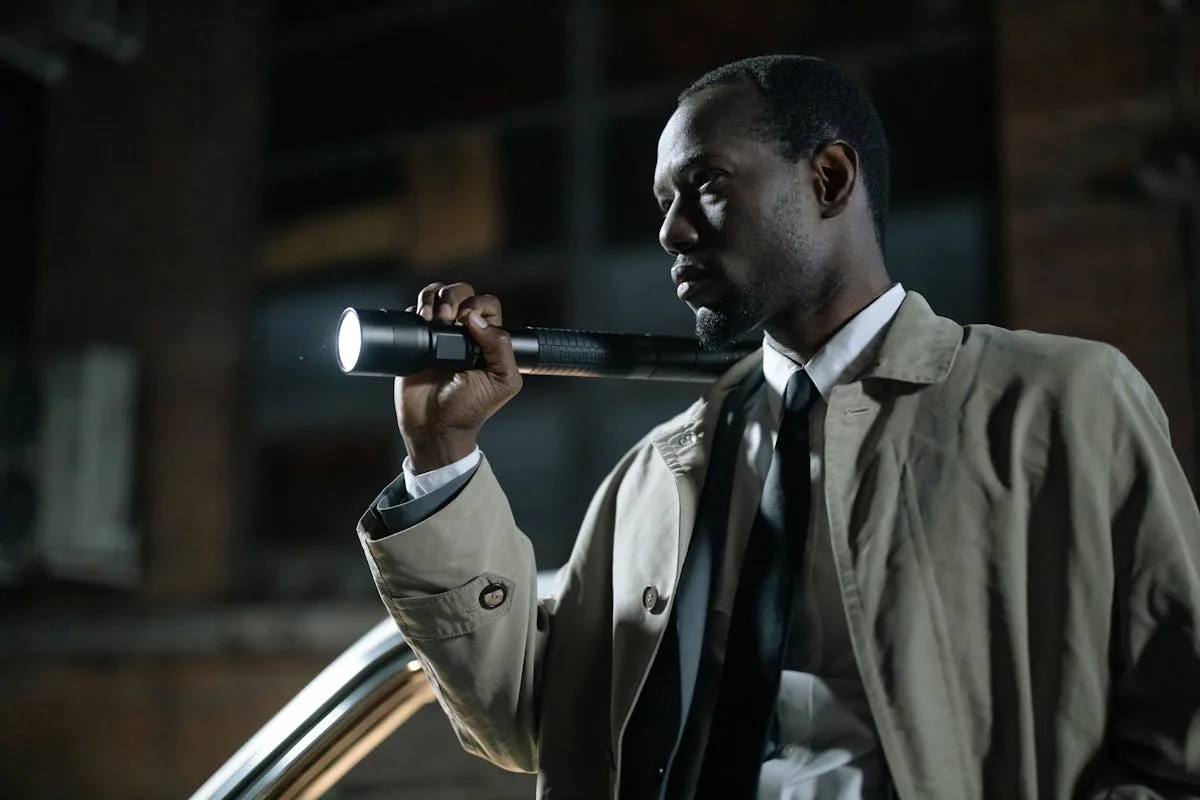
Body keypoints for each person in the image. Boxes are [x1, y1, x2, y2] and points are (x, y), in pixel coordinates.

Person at [355, 55, 1200, 799]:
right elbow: (530, 724)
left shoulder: (1056, 404)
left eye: (707, 185)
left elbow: (1181, 740)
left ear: (829, 179)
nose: (671, 230)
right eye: (662, 202)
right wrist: (441, 453)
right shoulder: (655, 478)